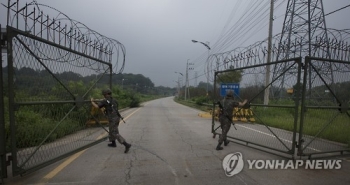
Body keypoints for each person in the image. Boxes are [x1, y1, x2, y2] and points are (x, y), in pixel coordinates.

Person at [91, 89, 131, 153]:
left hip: (112, 119)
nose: (103, 96)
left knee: (114, 132)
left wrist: (92, 101)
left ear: (106, 94)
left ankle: (126, 144)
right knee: (112, 129)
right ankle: (113, 143)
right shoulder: (114, 100)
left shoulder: (105, 101)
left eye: (104, 94)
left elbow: (97, 106)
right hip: (117, 117)